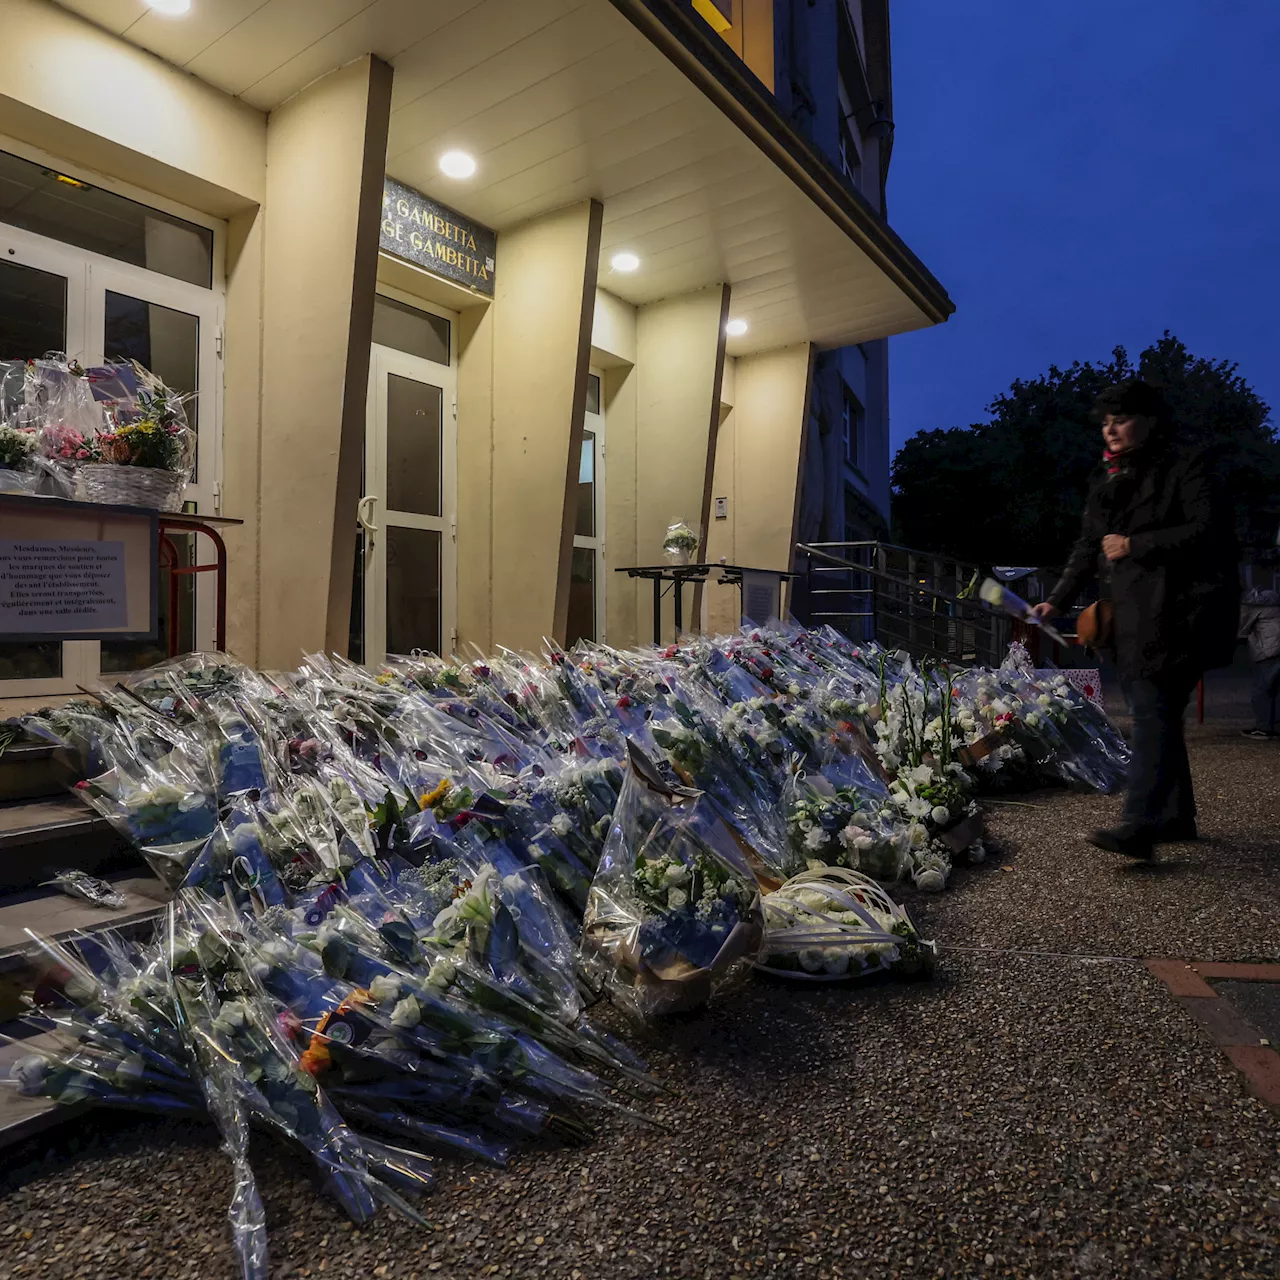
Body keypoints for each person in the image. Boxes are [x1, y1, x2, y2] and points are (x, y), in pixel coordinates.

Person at [1032, 379, 1238, 859]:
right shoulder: (1108, 477)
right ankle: (1176, 817)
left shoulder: (1187, 465)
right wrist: (1057, 601)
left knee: (1151, 713)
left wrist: (1136, 544)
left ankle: (1139, 824)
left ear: (1150, 420)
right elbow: (1088, 545)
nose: (1110, 430)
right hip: (1136, 616)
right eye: (1105, 422)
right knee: (1159, 713)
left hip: (1182, 612)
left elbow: (1210, 532)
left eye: (1120, 419)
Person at [1238, 585, 1280, 738]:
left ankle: (1264, 728)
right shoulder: (1269, 598)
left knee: (1261, 690)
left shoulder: (1247, 604)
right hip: (1276, 646)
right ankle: (1274, 726)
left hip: (1269, 649)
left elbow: (1239, 629)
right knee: (1276, 688)